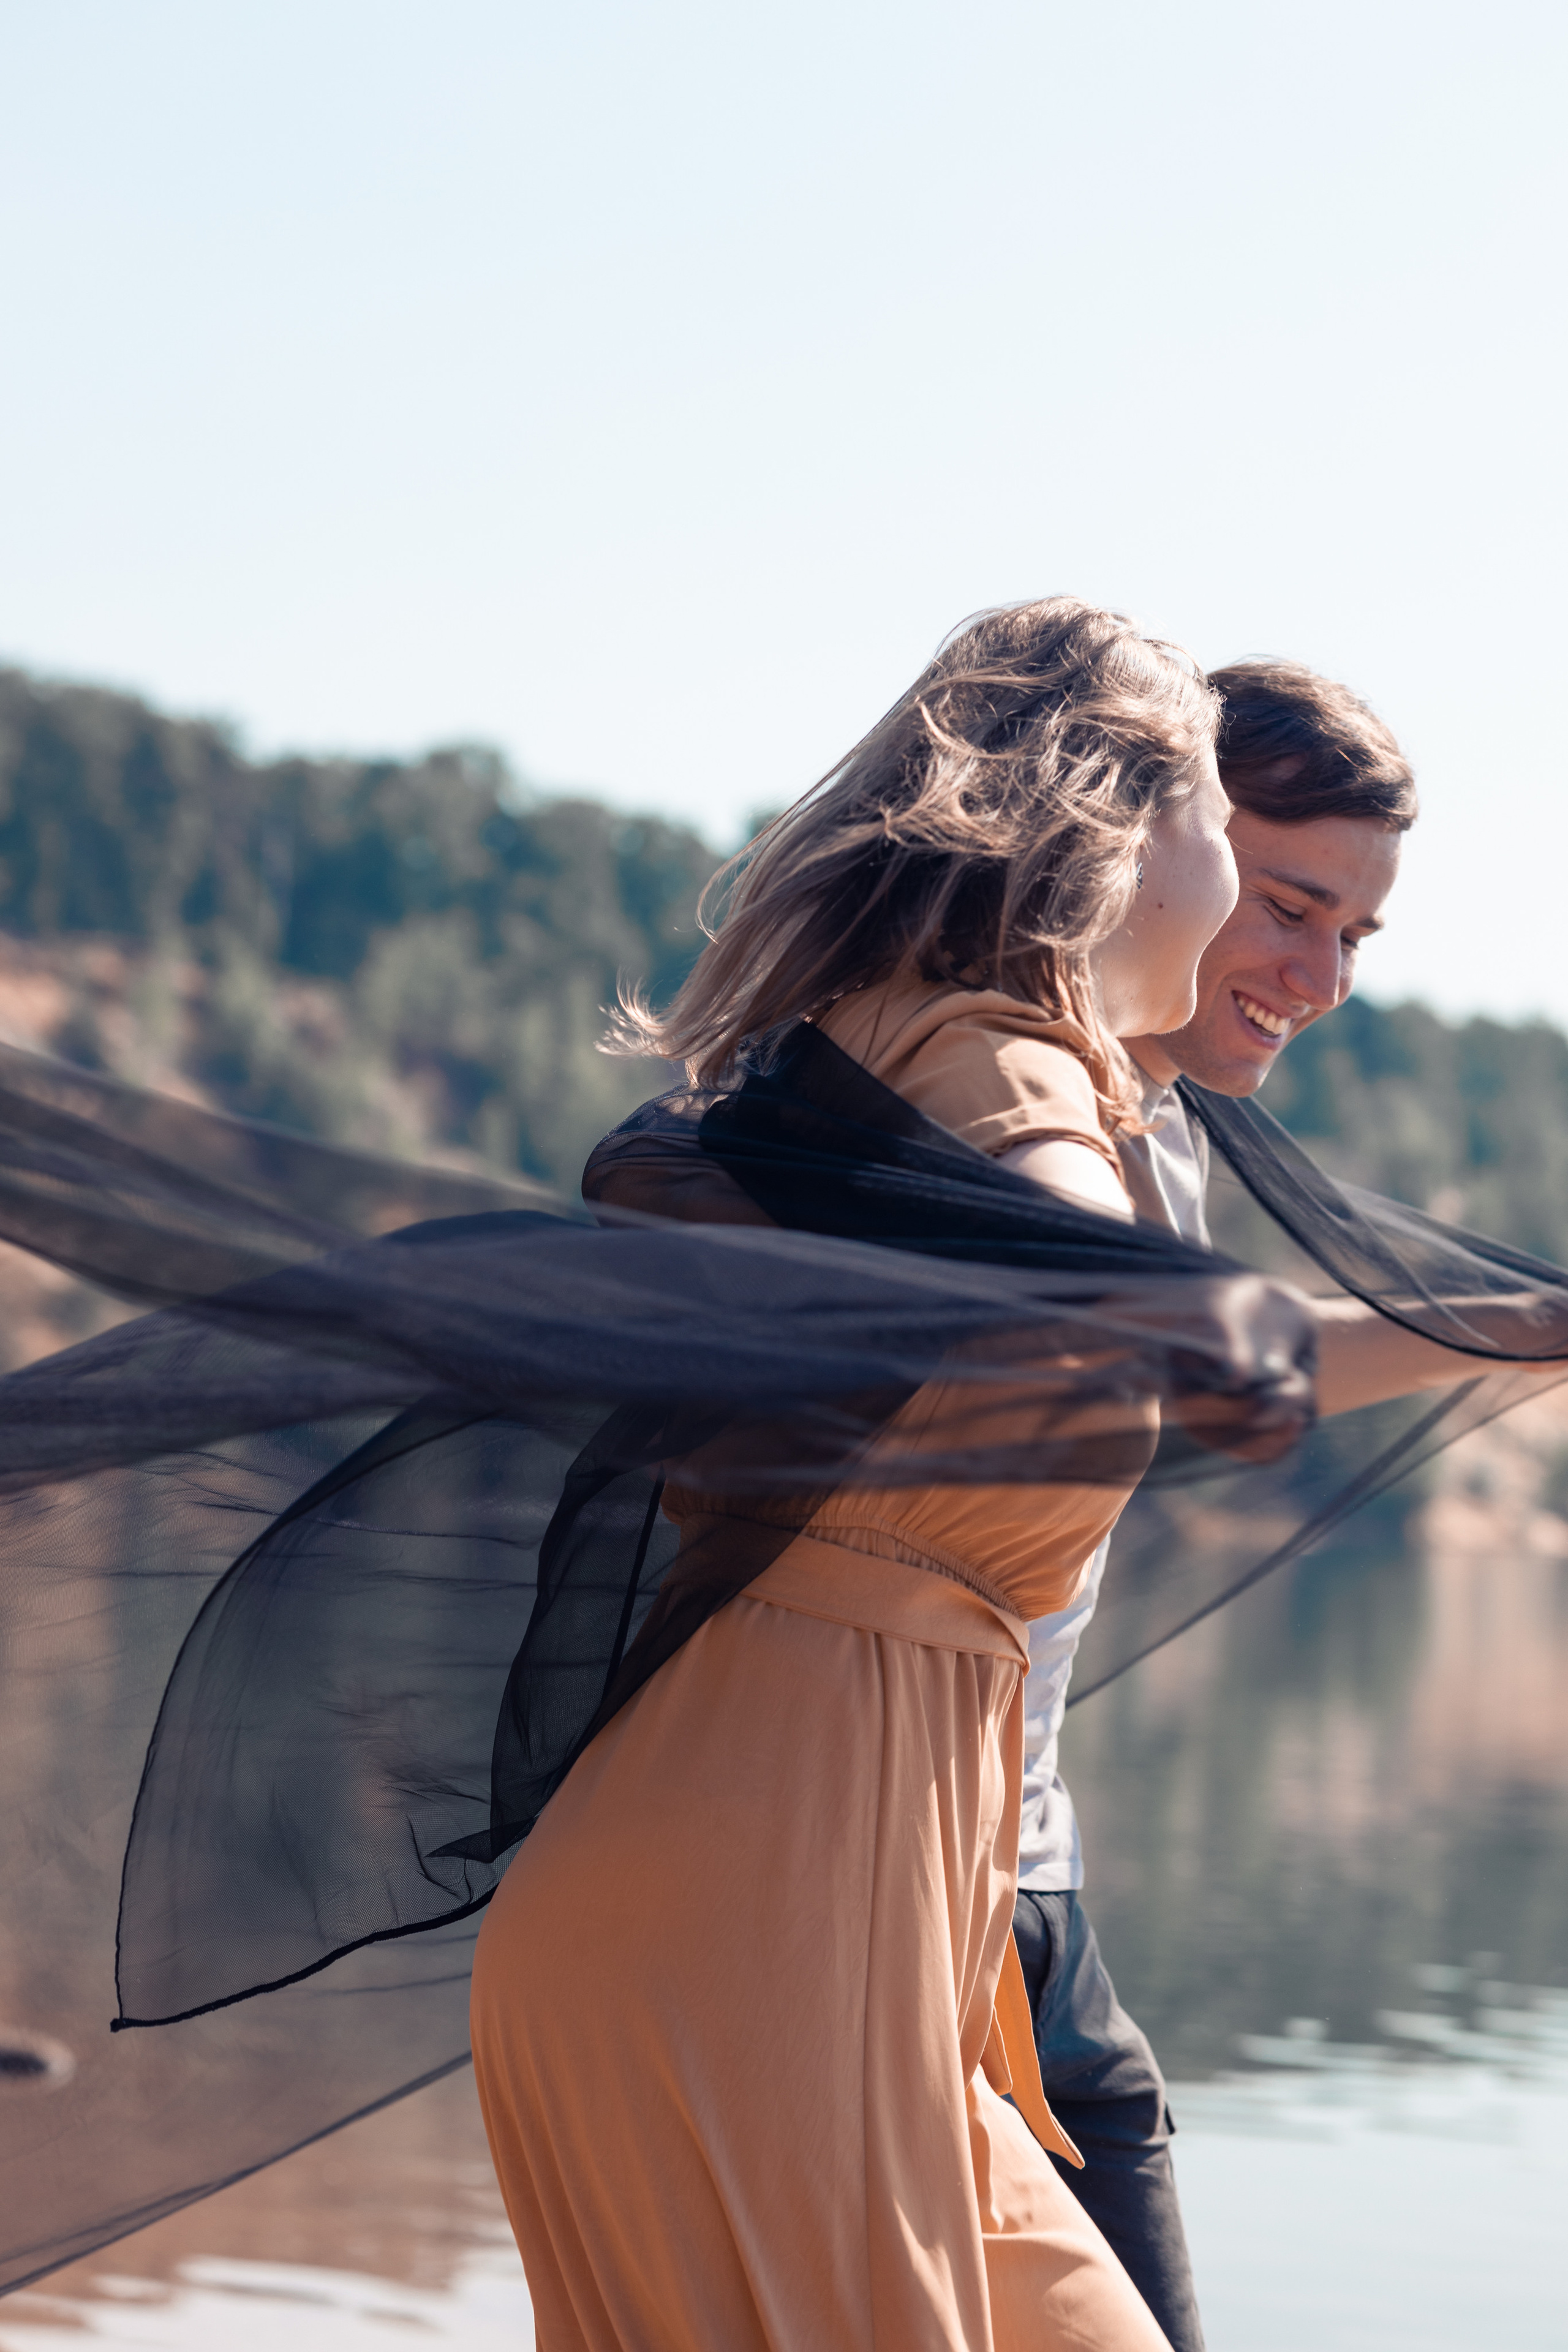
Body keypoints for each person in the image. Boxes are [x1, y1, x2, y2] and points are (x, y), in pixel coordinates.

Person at [469, 597, 1246, 2352]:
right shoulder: (1007, 1066)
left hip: (839, 1960)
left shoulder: (893, 1059)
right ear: (1121, 821)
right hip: (759, 1944)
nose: (1235, 855)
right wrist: (1177, 1305)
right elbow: (1064, 1255)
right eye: (1214, 813)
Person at [1009, 660, 1418, 2352]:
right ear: (1158, 848)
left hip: (1027, 1885)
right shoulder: (998, 1101)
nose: (1319, 977)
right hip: (873, 1886)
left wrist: (1530, 1330)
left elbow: (1195, 1379)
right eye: (1292, 905)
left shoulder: (1158, 1136)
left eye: (1358, 940)